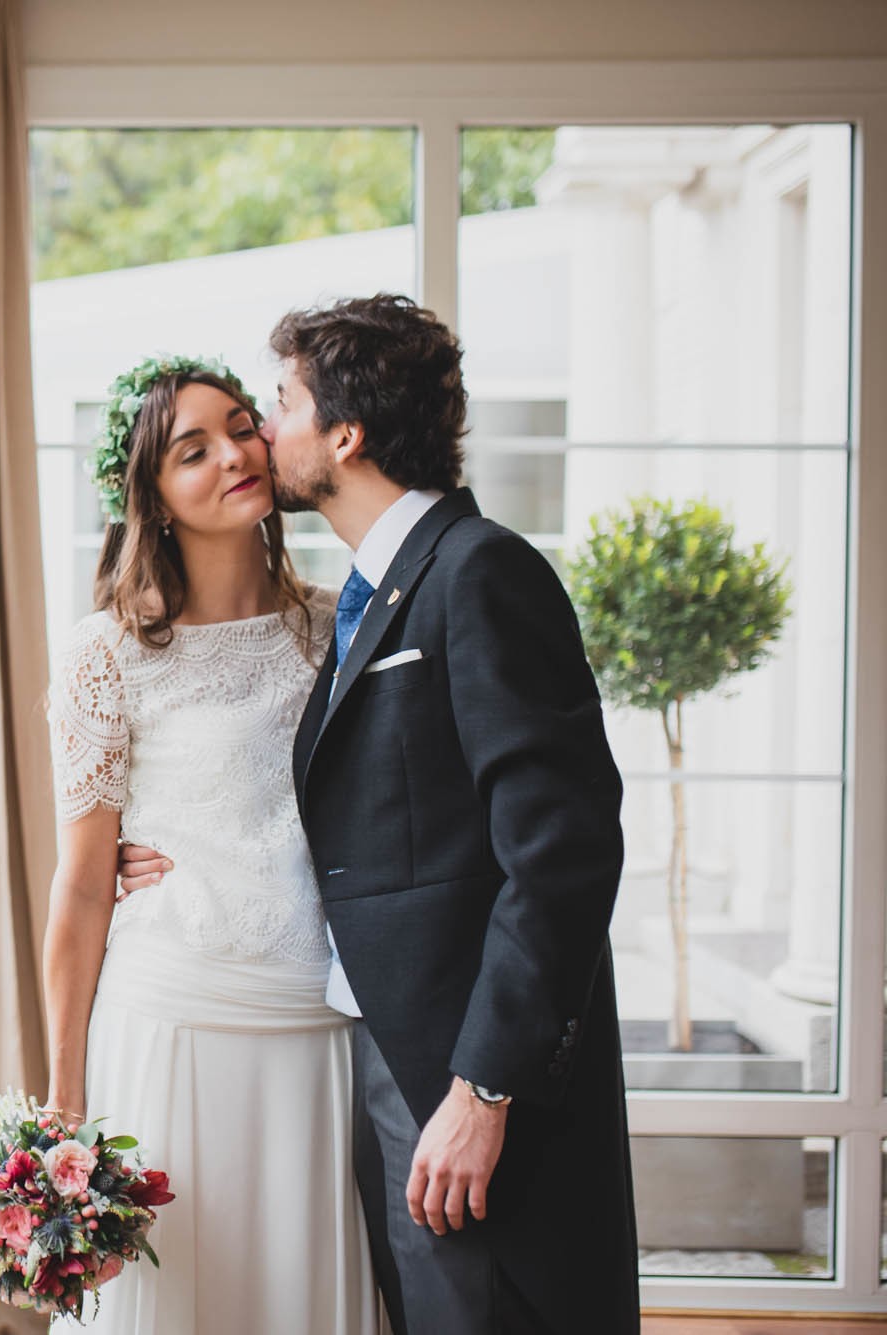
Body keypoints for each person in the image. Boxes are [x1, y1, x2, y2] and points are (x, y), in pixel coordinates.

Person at [118, 295, 640, 1334]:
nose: (262, 434)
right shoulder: (367, 592)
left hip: (460, 1077)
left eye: (278, 405)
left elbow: (562, 854)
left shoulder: (478, 570)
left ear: (342, 436)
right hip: (369, 1052)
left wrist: (481, 1091)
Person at [42, 355, 379, 1333]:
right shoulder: (103, 651)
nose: (234, 454)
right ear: (147, 494)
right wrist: (64, 1099)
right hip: (173, 1014)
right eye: (193, 449)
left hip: (317, 1017)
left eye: (242, 426)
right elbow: (78, 887)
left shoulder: (337, 625)